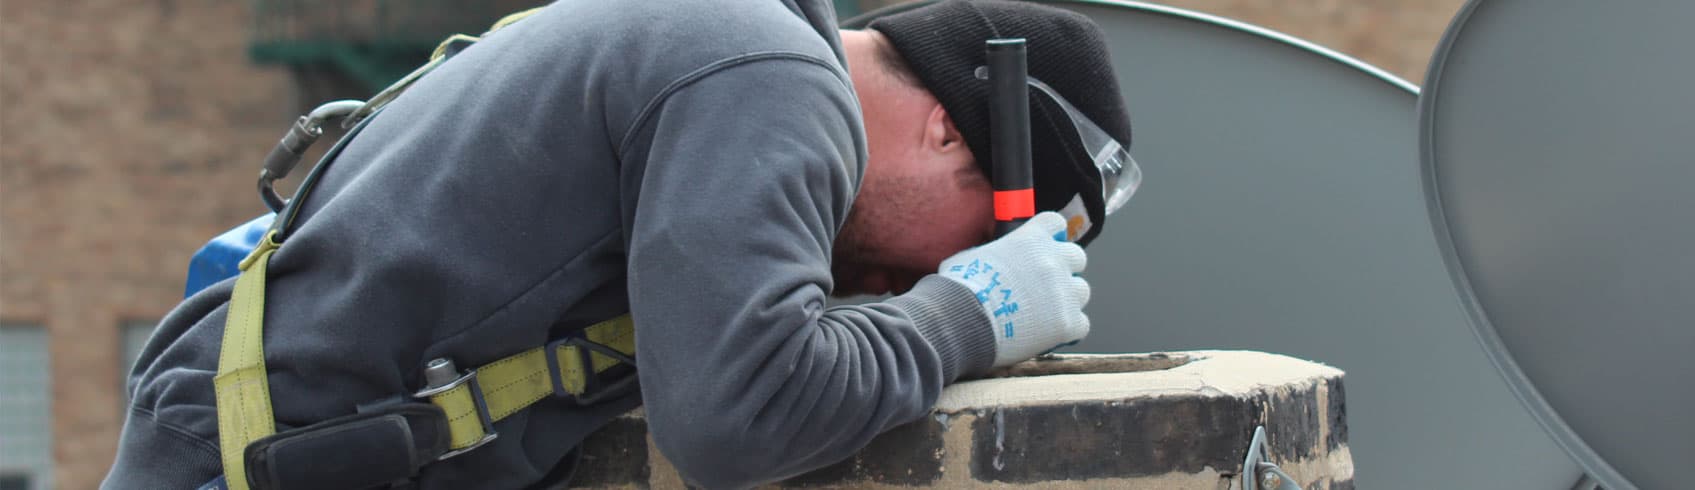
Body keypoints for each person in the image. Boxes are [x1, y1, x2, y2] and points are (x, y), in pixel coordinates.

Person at [106, 0, 1136, 487]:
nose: (906, 281)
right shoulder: (771, 78)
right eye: (966, 247)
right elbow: (740, 414)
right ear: (950, 133)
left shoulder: (730, 43)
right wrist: (966, 314)